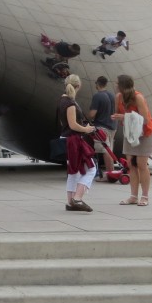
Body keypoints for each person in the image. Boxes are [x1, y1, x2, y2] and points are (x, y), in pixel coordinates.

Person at [112, 74, 152, 206]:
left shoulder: (138, 97)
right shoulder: (118, 97)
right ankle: (133, 196)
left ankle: (145, 196)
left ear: (123, 86)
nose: (115, 85)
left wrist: (124, 116)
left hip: (144, 133)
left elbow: (145, 119)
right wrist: (119, 117)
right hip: (130, 134)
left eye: (117, 83)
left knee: (142, 165)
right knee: (131, 165)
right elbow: (119, 115)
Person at [57, 74, 98, 212]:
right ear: (78, 86)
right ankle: (78, 198)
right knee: (91, 168)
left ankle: (70, 202)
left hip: (67, 139)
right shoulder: (70, 103)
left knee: (73, 171)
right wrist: (86, 129)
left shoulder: (62, 101)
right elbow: (73, 125)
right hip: (74, 140)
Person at [87, 76, 116, 180]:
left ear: (97, 84)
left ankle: (109, 174)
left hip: (102, 127)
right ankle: (111, 172)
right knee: (109, 149)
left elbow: (92, 114)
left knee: (104, 150)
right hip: (112, 126)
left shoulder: (97, 96)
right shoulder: (112, 95)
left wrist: (88, 114)